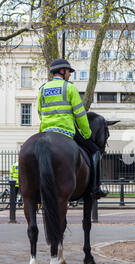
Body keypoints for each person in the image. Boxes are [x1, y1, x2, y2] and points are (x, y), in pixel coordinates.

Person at [37, 58, 108, 199]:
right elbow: (80, 114)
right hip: (66, 131)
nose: (70, 74)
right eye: (69, 71)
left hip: (45, 131)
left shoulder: (42, 89)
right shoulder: (69, 88)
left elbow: (40, 112)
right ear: (62, 71)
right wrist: (87, 133)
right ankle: (95, 188)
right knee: (94, 151)